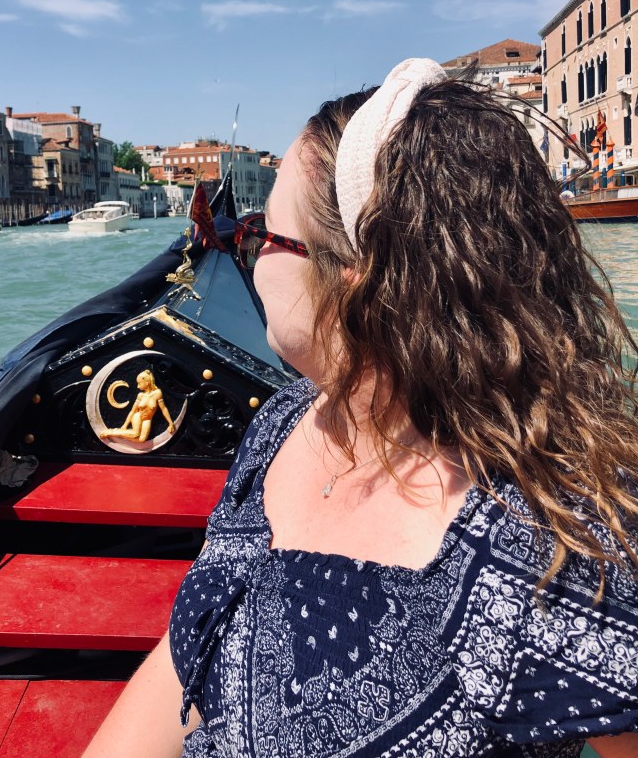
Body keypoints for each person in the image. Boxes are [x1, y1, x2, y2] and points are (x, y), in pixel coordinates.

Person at [83, 59, 638, 758]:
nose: (250, 259)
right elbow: (195, 649)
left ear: (357, 273)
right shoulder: (284, 425)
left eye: (263, 237)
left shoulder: (545, 542)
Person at [100, 369, 176, 443]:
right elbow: (132, 411)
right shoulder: (140, 395)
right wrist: (125, 425)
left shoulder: (157, 393)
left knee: (142, 439)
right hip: (138, 416)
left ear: (147, 383)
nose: (138, 386)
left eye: (139, 383)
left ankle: (120, 433)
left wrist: (170, 423)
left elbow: (164, 409)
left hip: (147, 419)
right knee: (136, 434)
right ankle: (112, 433)